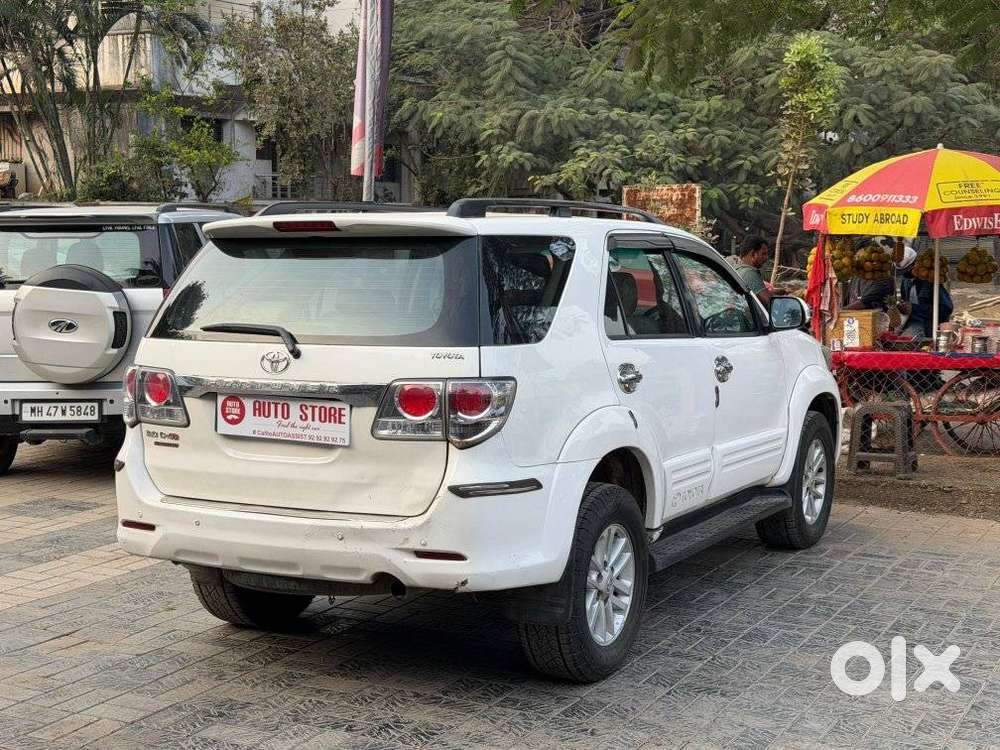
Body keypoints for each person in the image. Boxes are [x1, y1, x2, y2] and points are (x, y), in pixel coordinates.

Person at [896, 246, 953, 338]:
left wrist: (914, 308)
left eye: (907, 271)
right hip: (909, 322)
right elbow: (905, 302)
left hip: (927, 325)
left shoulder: (930, 281)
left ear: (915, 265)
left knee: (906, 340)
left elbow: (946, 309)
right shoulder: (906, 281)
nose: (904, 275)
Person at [727, 235, 782, 305]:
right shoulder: (749, 273)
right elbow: (769, 302)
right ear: (753, 254)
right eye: (763, 254)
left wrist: (780, 292)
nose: (766, 258)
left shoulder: (737, 268)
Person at [843, 237, 895, 310]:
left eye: (858, 256)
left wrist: (841, 312)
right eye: (855, 256)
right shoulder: (857, 275)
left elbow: (864, 303)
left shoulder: (884, 279)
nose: (855, 259)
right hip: (851, 319)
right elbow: (848, 299)